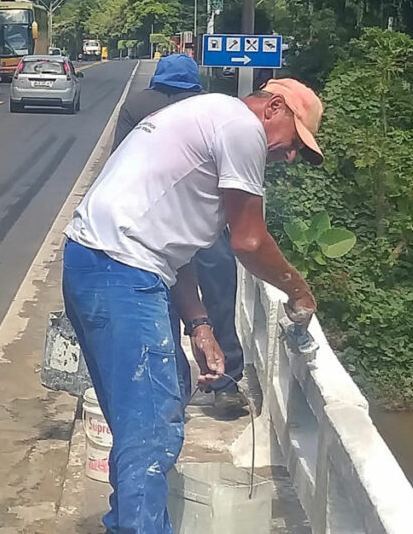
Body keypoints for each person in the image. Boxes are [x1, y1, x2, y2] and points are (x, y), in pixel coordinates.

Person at [64, 79, 322, 534]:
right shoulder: (242, 127)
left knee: (137, 425)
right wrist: (298, 291)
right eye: (295, 140)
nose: (292, 155)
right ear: (274, 107)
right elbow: (249, 240)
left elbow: (175, 249)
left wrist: (199, 327)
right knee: (152, 432)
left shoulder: (208, 115)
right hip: (123, 271)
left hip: (96, 264)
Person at [111, 54, 245, 402]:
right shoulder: (204, 107)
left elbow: (117, 164)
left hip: (150, 221)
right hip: (200, 217)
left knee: (162, 298)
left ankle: (174, 385)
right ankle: (226, 379)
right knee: (219, 287)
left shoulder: (137, 105)